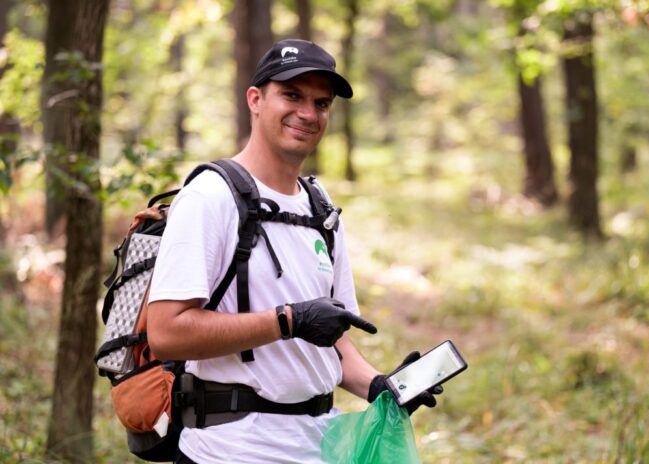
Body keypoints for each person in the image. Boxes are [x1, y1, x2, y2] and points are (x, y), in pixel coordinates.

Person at [147, 39, 438, 464]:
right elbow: (166, 333)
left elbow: (328, 339)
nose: (308, 113)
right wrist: (288, 320)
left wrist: (378, 385)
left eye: (321, 104)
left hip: (318, 447)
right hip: (230, 452)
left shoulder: (319, 207)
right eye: (292, 95)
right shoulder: (210, 197)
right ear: (255, 100)